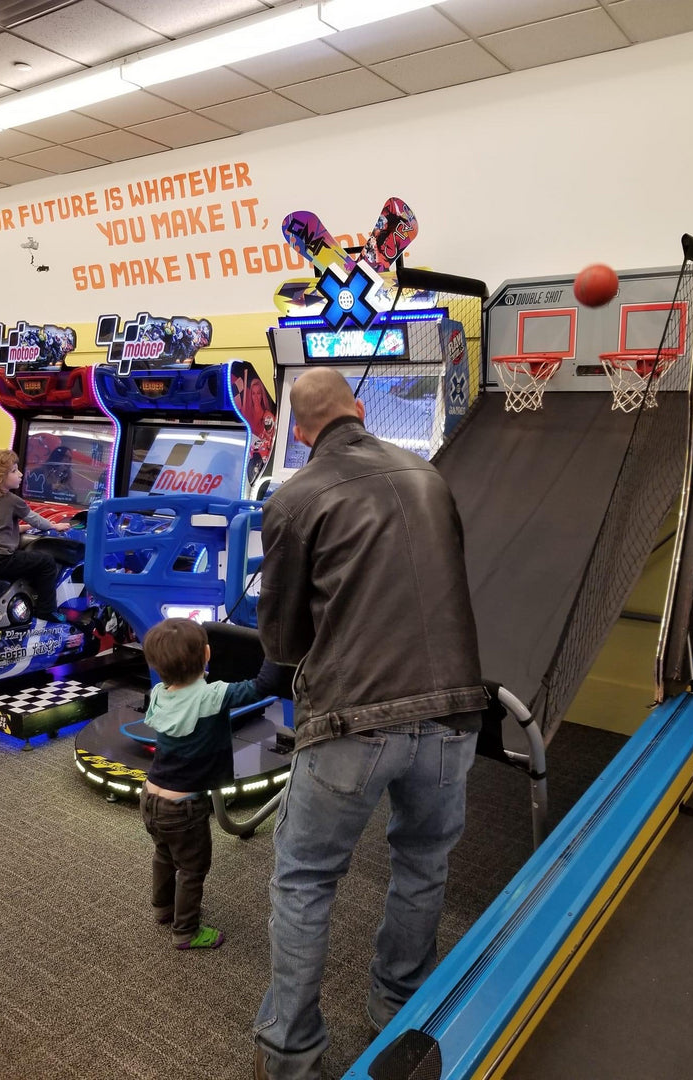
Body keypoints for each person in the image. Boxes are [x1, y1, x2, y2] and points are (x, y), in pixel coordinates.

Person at [253, 367, 487, 1080]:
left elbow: (285, 644)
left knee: (305, 880)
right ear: (360, 409)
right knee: (423, 864)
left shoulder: (294, 499)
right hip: (453, 709)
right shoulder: (427, 475)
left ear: (298, 431)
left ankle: (290, 1054)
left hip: (354, 718)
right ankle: (401, 1016)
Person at [140, 617, 288, 951]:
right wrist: (276, 644)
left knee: (164, 854)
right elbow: (262, 685)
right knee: (192, 868)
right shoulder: (213, 696)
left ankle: (163, 908)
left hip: (150, 797)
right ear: (208, 654)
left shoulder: (158, 693)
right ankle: (186, 931)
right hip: (184, 808)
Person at [0, 449, 70, 622]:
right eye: (14, 471)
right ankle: (46, 610)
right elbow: (37, 520)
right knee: (46, 563)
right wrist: (54, 526)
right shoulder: (12, 501)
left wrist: (23, 528)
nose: (20, 474)